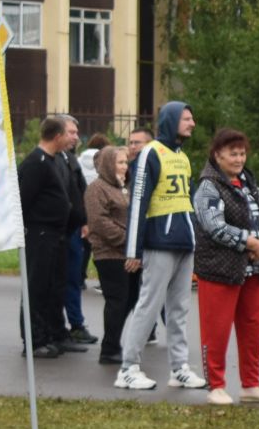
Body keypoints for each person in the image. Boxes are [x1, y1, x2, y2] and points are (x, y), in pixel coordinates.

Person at [116, 101, 208, 392]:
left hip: (184, 242)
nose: (192, 123)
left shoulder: (182, 157)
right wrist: (134, 250)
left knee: (179, 308)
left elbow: (189, 201)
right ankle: (128, 368)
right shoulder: (149, 154)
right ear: (170, 120)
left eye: (192, 118)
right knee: (148, 304)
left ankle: (179, 367)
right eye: (186, 119)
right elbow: (138, 201)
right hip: (159, 242)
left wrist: (196, 236)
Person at [192, 128, 259, 405]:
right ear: (218, 155)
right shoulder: (208, 186)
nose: (239, 159)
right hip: (219, 269)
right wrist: (250, 243)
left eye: (242, 153)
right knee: (216, 330)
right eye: (233, 154)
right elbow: (213, 226)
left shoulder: (248, 181)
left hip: (252, 271)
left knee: (254, 327)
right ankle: (215, 386)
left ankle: (251, 385)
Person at [17, 117, 80, 358]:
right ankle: (33, 341)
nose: (73, 138)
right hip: (40, 235)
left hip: (57, 235)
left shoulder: (54, 161)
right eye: (69, 133)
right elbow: (24, 201)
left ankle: (51, 333)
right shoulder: (36, 163)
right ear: (57, 136)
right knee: (36, 288)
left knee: (53, 288)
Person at [85, 144, 138, 368]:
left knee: (131, 298)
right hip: (110, 254)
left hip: (129, 253)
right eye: (119, 162)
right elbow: (99, 222)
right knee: (117, 300)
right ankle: (109, 349)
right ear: (108, 164)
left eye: (126, 162)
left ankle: (114, 341)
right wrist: (129, 240)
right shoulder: (97, 188)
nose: (124, 167)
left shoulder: (124, 187)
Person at [57, 118, 95, 348]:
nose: (76, 137)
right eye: (71, 132)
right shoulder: (50, 161)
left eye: (77, 132)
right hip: (59, 231)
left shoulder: (70, 159)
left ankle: (76, 325)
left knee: (73, 279)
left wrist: (85, 220)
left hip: (73, 230)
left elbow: (81, 191)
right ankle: (63, 328)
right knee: (61, 281)